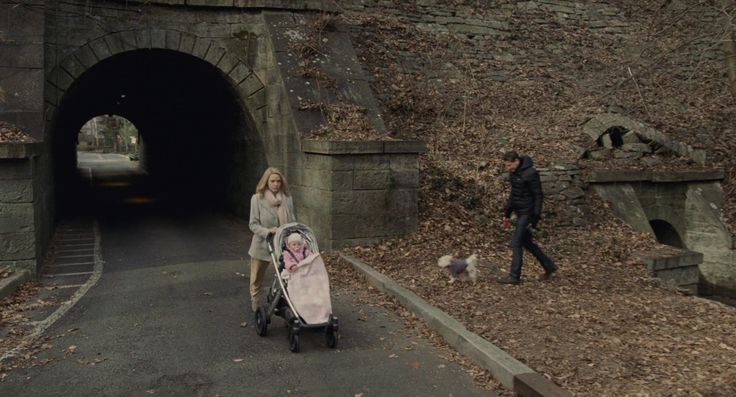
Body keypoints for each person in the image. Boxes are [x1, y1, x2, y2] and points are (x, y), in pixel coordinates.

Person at [497, 151, 557, 284]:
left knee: (516, 242)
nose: (508, 168)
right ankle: (549, 266)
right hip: (519, 212)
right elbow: (514, 195)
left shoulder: (531, 173)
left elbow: (538, 195)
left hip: (528, 213)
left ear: (517, 161)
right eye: (506, 166)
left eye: (509, 165)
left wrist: (535, 216)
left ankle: (514, 276)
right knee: (527, 242)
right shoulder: (514, 174)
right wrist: (507, 213)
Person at [248, 167, 296, 311]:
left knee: (286, 273)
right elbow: (253, 224)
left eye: (278, 181)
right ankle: (255, 300)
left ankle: (282, 298)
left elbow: (293, 219)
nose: (276, 184)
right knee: (257, 276)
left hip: (282, 243)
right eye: (272, 181)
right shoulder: (257, 199)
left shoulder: (287, 199)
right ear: (266, 182)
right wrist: (268, 231)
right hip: (263, 243)